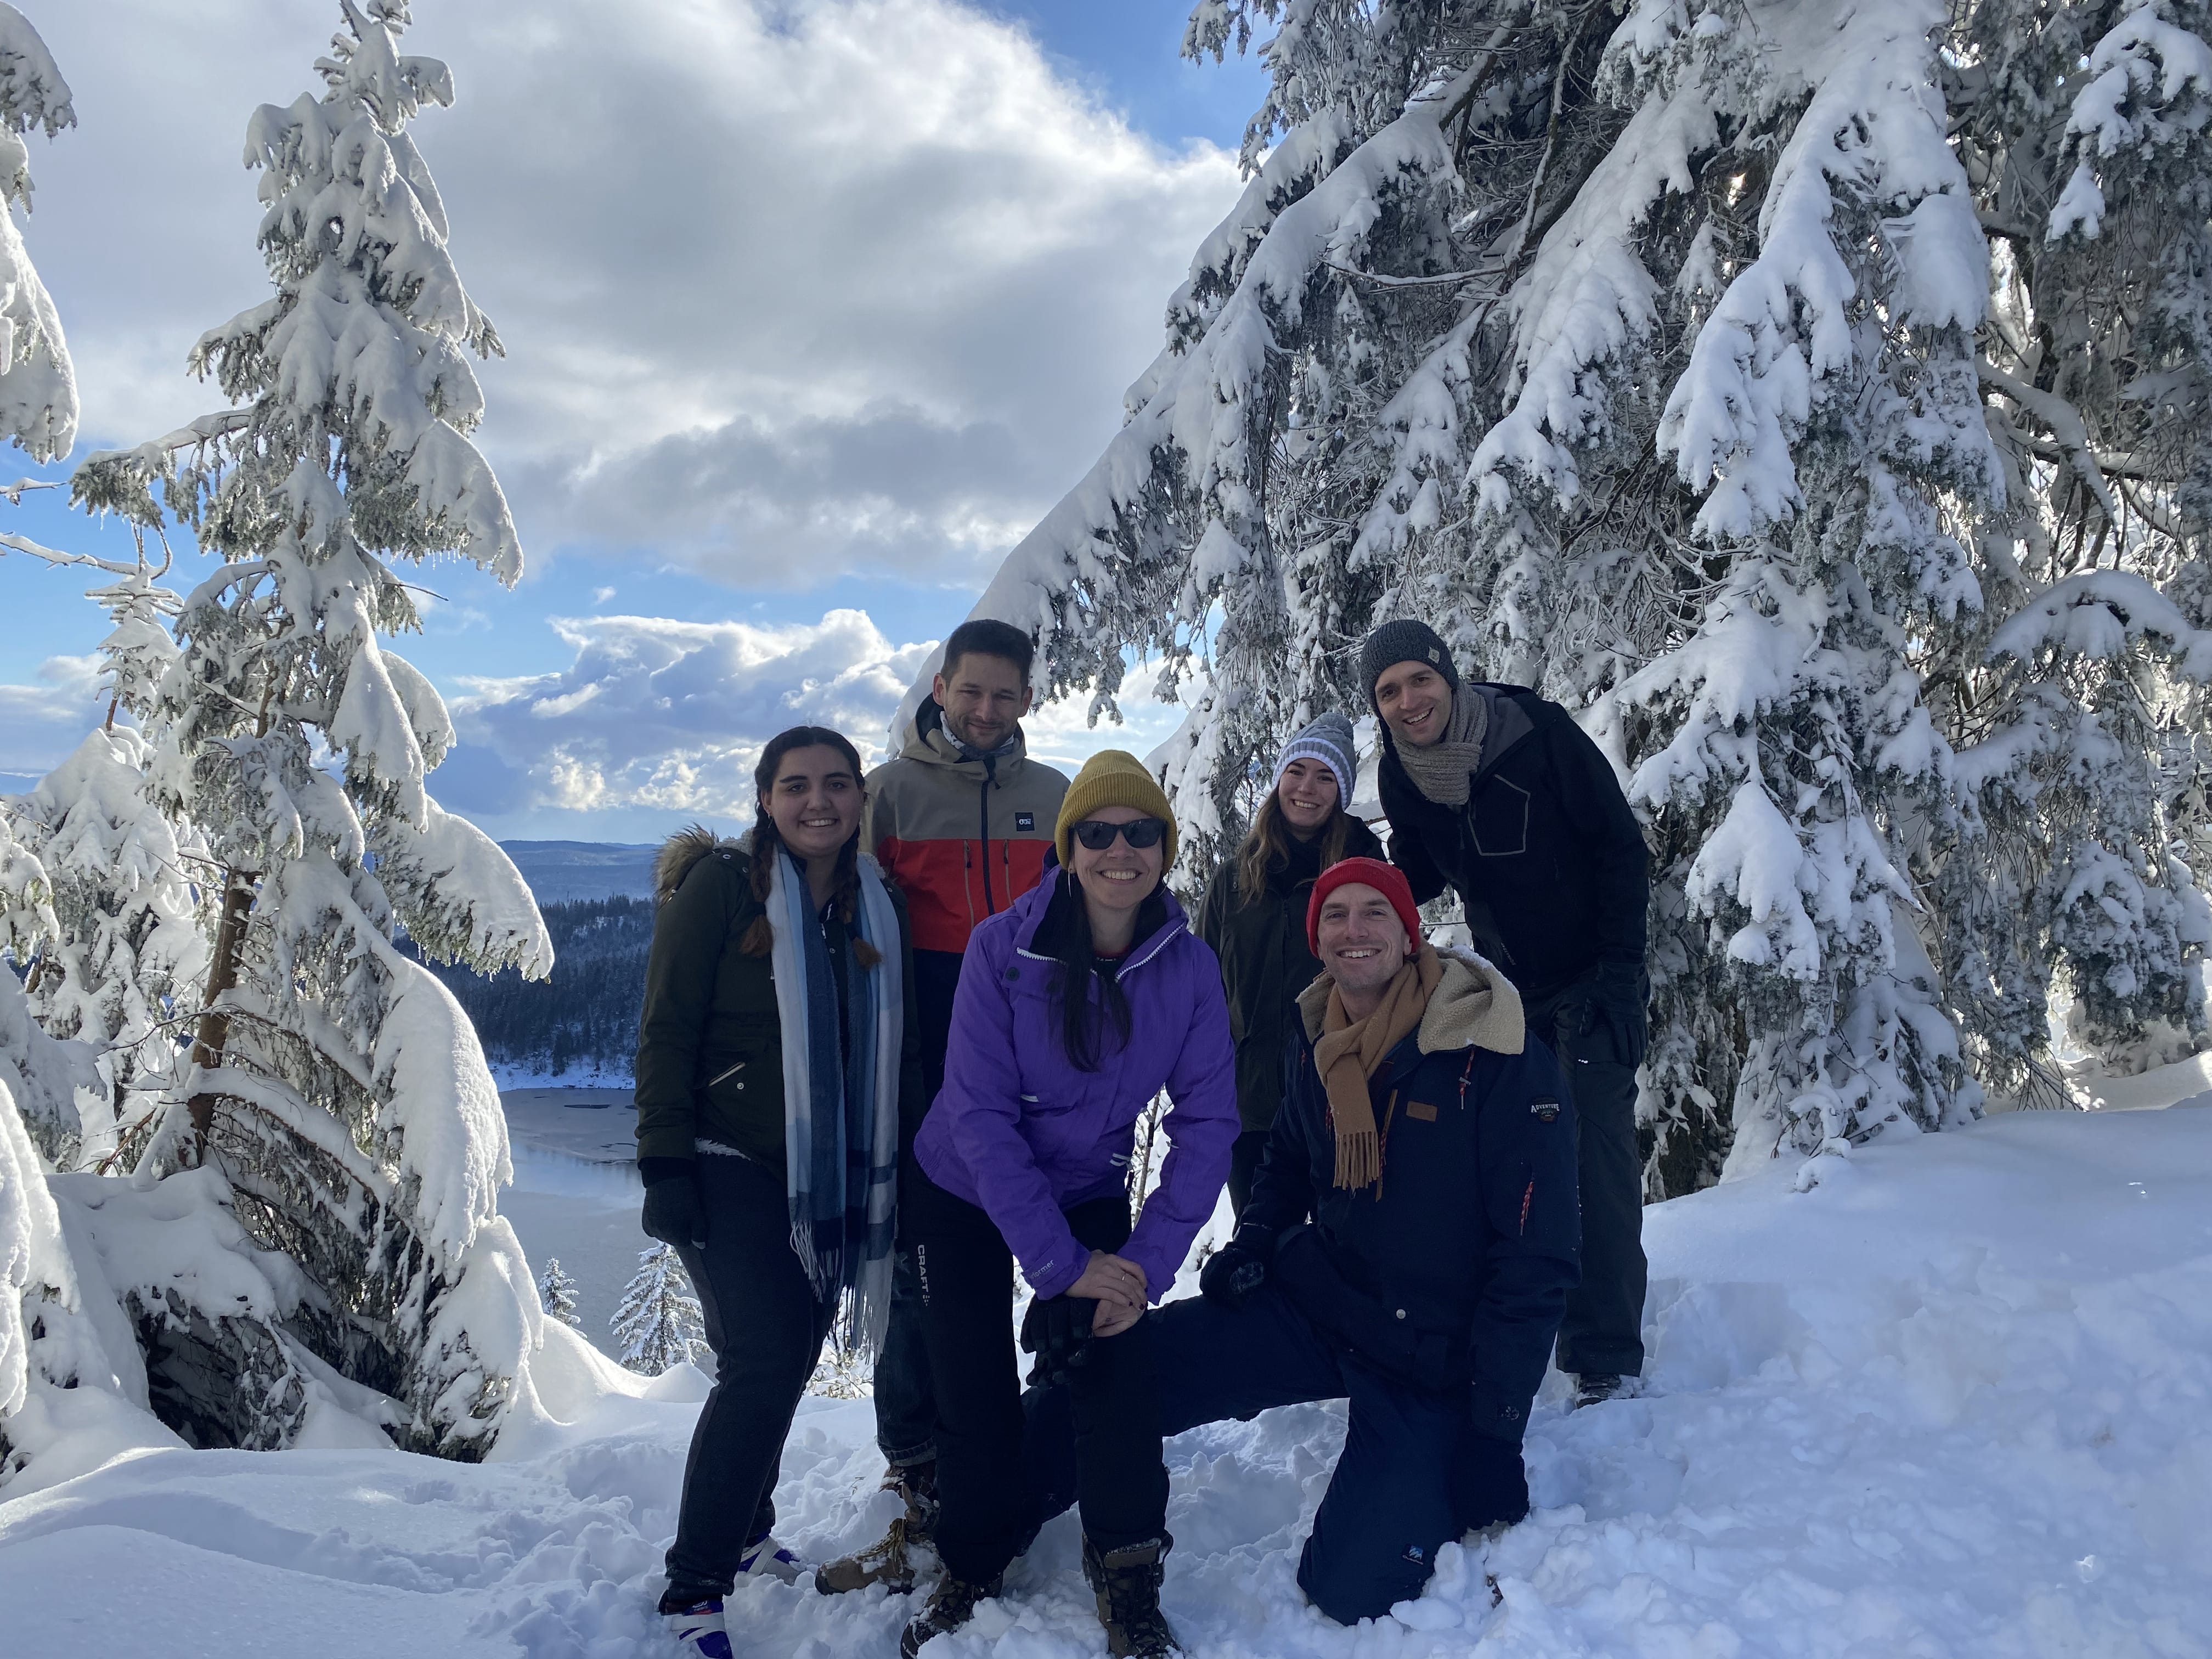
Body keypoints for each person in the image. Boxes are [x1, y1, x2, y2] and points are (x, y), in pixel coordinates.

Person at [1024, 857, 1580, 1626]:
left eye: (1374, 913)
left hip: (1433, 1352)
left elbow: (1537, 1259)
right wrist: (1254, 1243)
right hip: (1324, 1302)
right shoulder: (1319, 1030)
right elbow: (1286, 1157)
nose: (1355, 930)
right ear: (1317, 938)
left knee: (1351, 1591)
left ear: (1409, 931)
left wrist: (1496, 1433)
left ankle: (1426, 1471)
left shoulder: (1491, 1052)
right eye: (1336, 916)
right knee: (1119, 1371)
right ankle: (990, 1504)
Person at [899, 751, 1237, 1659]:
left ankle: (1127, 1573)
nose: (1118, 848)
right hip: (963, 1183)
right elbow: (978, 1114)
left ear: (1165, 847)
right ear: (1068, 845)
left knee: (1115, 1364)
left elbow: (1208, 1124)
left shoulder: (1188, 966)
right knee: (973, 1383)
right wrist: (1062, 1263)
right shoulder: (999, 949)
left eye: (1140, 831)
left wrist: (1141, 1267)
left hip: (1084, 1180)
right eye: (1097, 831)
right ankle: (971, 1560)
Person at [633, 726, 922, 1659]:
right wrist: (665, 1163)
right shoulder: (724, 885)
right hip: (725, 1152)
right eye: (795, 785)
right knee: (763, 1356)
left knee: (787, 1351)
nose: (818, 801)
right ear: (765, 798)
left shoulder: (873, 902)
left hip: (820, 1174)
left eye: (837, 784)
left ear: (859, 798)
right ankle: (693, 1583)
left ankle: (748, 1525)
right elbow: (665, 1028)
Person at [818, 618, 1070, 1594]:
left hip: (1027, 1062)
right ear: (940, 684)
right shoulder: (888, 793)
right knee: (922, 1266)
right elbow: (829, 912)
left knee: (1039, 1240)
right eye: (971, 691)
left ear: (1025, 700)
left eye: (1005, 696)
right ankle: (915, 1452)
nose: (985, 710)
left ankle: (1038, 1418)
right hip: (919, 1061)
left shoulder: (1052, 798)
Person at [1362, 618, 1650, 1407]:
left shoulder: (1534, 730)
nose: (1408, 700)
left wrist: (1622, 978)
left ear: (1448, 676)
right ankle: (1536, 1324)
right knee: (1525, 1162)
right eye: (1389, 692)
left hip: (1593, 977)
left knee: (1595, 1160)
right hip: (1513, 991)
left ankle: (1605, 1358)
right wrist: (1350, 875)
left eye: (1419, 679)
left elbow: (1621, 848)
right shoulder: (1402, 773)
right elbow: (1418, 874)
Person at [1197, 712, 1383, 1220]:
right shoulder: (1235, 879)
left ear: (1341, 791)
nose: (1307, 788)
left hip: (1342, 1095)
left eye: (1326, 777)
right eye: (1297, 771)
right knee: (1261, 1247)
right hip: (1250, 1102)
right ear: (1279, 777)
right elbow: (1201, 986)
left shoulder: (1366, 874)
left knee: (1343, 1246)